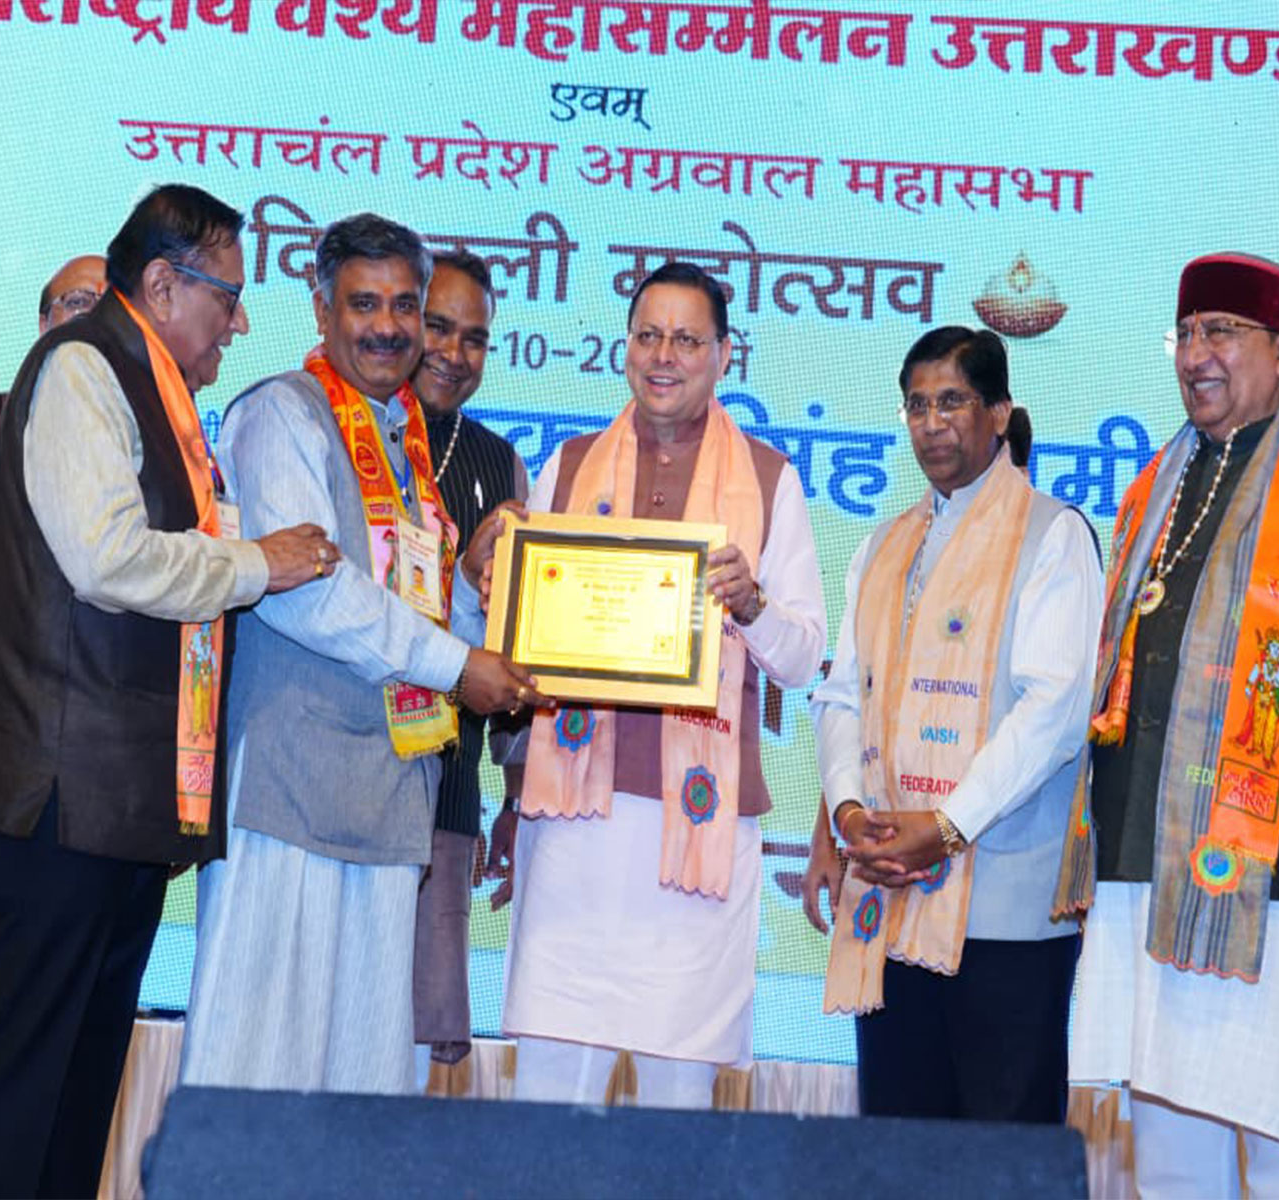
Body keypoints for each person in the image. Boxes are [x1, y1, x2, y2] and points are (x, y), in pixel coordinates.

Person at [0, 184, 335, 1198]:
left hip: (125, 800)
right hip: (60, 789)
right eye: (227, 297)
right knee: (17, 1073)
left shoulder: (159, 390)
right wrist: (257, 563)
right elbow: (106, 560)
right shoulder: (82, 367)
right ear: (162, 283)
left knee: (80, 1076)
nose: (240, 323)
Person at [178, 214, 540, 1096]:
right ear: (320, 309)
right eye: (365, 303)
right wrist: (463, 668)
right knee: (253, 1067)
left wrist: (474, 591)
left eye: (405, 306)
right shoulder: (279, 415)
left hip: (391, 803)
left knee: (360, 1082)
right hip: (288, 798)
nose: (388, 326)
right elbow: (313, 597)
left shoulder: (407, 441)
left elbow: (406, 598)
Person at [1057, 253, 1279, 1197]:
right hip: (1151, 879)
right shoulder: (1164, 477)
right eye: (1188, 333)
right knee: (1169, 1157)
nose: (1198, 355)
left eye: (1225, 333)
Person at [466, 261, 825, 1110]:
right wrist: (496, 581)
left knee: (677, 1104)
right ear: (625, 348)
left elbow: (805, 656)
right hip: (573, 827)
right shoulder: (569, 464)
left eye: (687, 339)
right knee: (553, 1094)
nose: (665, 356)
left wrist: (752, 605)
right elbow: (518, 636)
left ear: (724, 356)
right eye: (648, 335)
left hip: (693, 839)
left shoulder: (772, 481)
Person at [805, 326, 1102, 1122]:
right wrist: (847, 812)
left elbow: (1055, 713)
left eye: (952, 402)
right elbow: (840, 696)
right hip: (892, 902)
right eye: (916, 405)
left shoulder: (1053, 534)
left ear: (1000, 413)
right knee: (900, 1153)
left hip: (1005, 920)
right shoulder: (886, 542)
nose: (931, 423)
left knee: (1000, 1159)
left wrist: (947, 825)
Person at [406, 250, 531, 1086]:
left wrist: (520, 798)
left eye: (476, 339)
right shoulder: (335, 428)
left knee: (408, 1055)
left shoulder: (502, 469)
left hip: (444, 790)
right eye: (438, 327)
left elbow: (519, 652)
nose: (454, 352)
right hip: (335, 789)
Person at [0, 253, 109, 474]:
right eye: (78, 301)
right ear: (44, 325)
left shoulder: (161, 428)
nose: (97, 315)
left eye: (115, 306)